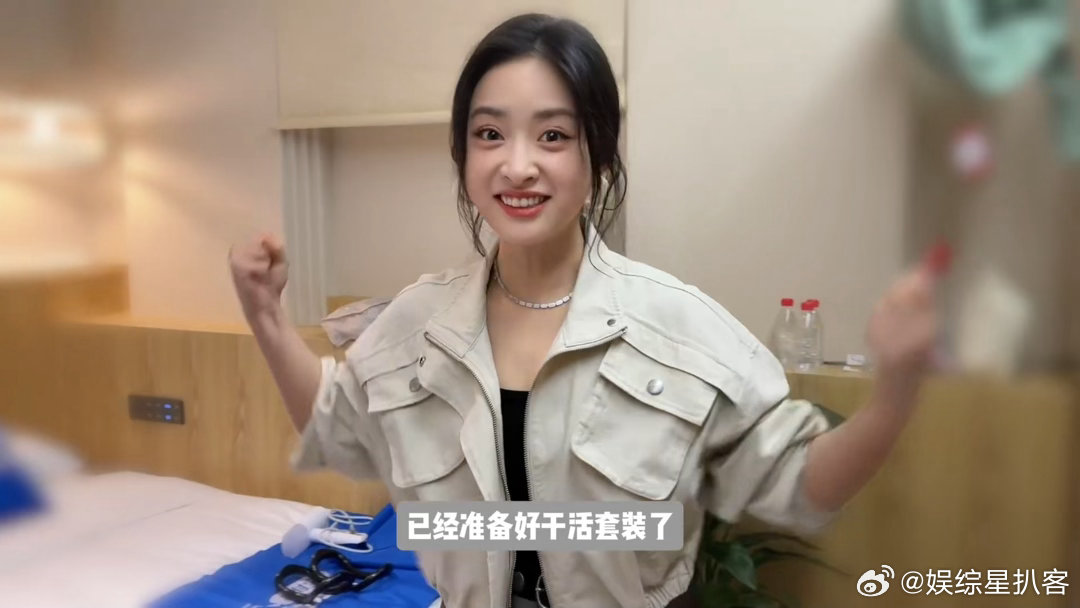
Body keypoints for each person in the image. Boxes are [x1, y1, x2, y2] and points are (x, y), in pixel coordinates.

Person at [229, 13, 940, 608]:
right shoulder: (420, 321)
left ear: (597, 155)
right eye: (489, 134)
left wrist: (896, 394)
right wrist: (266, 318)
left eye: (553, 135)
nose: (517, 165)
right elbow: (338, 426)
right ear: (463, 154)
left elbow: (801, 485)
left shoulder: (677, 325)